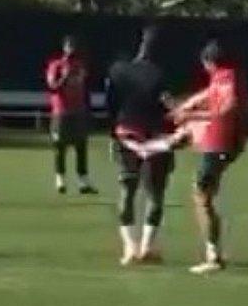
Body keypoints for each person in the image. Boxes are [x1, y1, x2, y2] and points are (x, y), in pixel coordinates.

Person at [121, 40, 247, 274]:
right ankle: (150, 148)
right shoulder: (223, 77)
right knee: (184, 142)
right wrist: (185, 109)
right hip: (216, 140)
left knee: (202, 196)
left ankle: (213, 256)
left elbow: (228, 107)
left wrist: (194, 115)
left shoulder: (229, 78)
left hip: (221, 142)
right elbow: (206, 95)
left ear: (208, 62)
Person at [106, 26, 175, 266]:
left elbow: (111, 106)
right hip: (155, 136)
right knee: (155, 193)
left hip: (126, 134)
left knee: (127, 187)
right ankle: (147, 246)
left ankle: (129, 246)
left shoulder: (118, 71)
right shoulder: (161, 75)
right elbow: (170, 108)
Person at [45, 35, 97, 195]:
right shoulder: (56, 65)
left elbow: (84, 87)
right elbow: (52, 86)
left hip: (78, 111)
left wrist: (87, 109)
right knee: (60, 146)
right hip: (62, 111)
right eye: (69, 46)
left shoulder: (80, 66)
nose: (72, 49)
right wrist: (64, 77)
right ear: (64, 47)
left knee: (81, 146)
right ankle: (60, 179)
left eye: (74, 45)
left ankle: (83, 181)